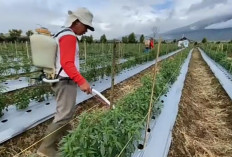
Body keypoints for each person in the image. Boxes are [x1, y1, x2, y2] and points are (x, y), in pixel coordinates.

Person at [37, 7, 94, 157]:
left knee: (66, 112)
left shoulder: (61, 33)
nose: (86, 30)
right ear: (77, 22)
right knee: (64, 114)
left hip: (60, 78)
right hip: (65, 80)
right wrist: (82, 81)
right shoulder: (68, 36)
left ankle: (69, 138)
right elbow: (67, 63)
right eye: (86, 26)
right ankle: (46, 148)